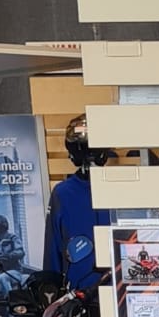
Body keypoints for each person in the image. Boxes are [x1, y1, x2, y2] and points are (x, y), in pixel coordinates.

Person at [45, 114, 112, 300]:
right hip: (81, 294)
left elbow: (52, 251)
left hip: (112, 289)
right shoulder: (62, 193)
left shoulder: (63, 193)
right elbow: (52, 250)